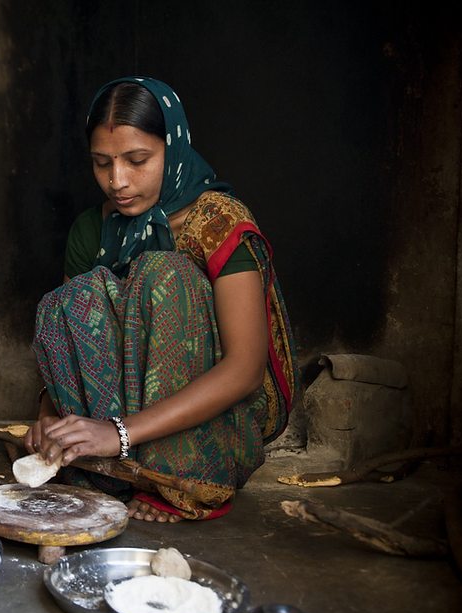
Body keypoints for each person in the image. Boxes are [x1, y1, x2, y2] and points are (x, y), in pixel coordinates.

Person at [24, 77, 299, 523]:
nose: (117, 181)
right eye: (101, 163)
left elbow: (246, 370)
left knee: (162, 272)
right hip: (113, 436)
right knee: (66, 300)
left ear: (174, 146)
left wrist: (118, 433)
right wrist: (50, 420)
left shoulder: (219, 222)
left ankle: (174, 475)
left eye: (137, 160)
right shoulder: (91, 230)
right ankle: (110, 471)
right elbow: (70, 335)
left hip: (214, 425)